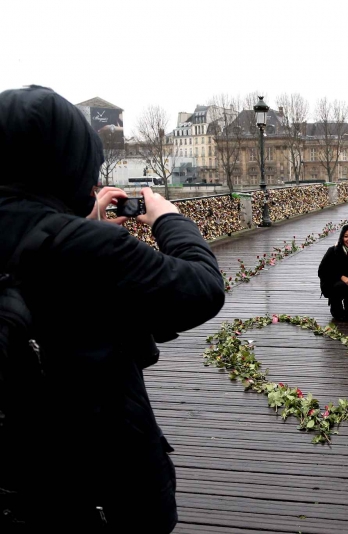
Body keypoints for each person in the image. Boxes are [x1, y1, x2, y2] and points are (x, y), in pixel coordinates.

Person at [0, 86, 225, 532]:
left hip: (19, 471)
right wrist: (168, 217)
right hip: (101, 470)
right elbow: (201, 288)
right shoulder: (87, 247)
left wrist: (80, 223)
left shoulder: (62, 238)